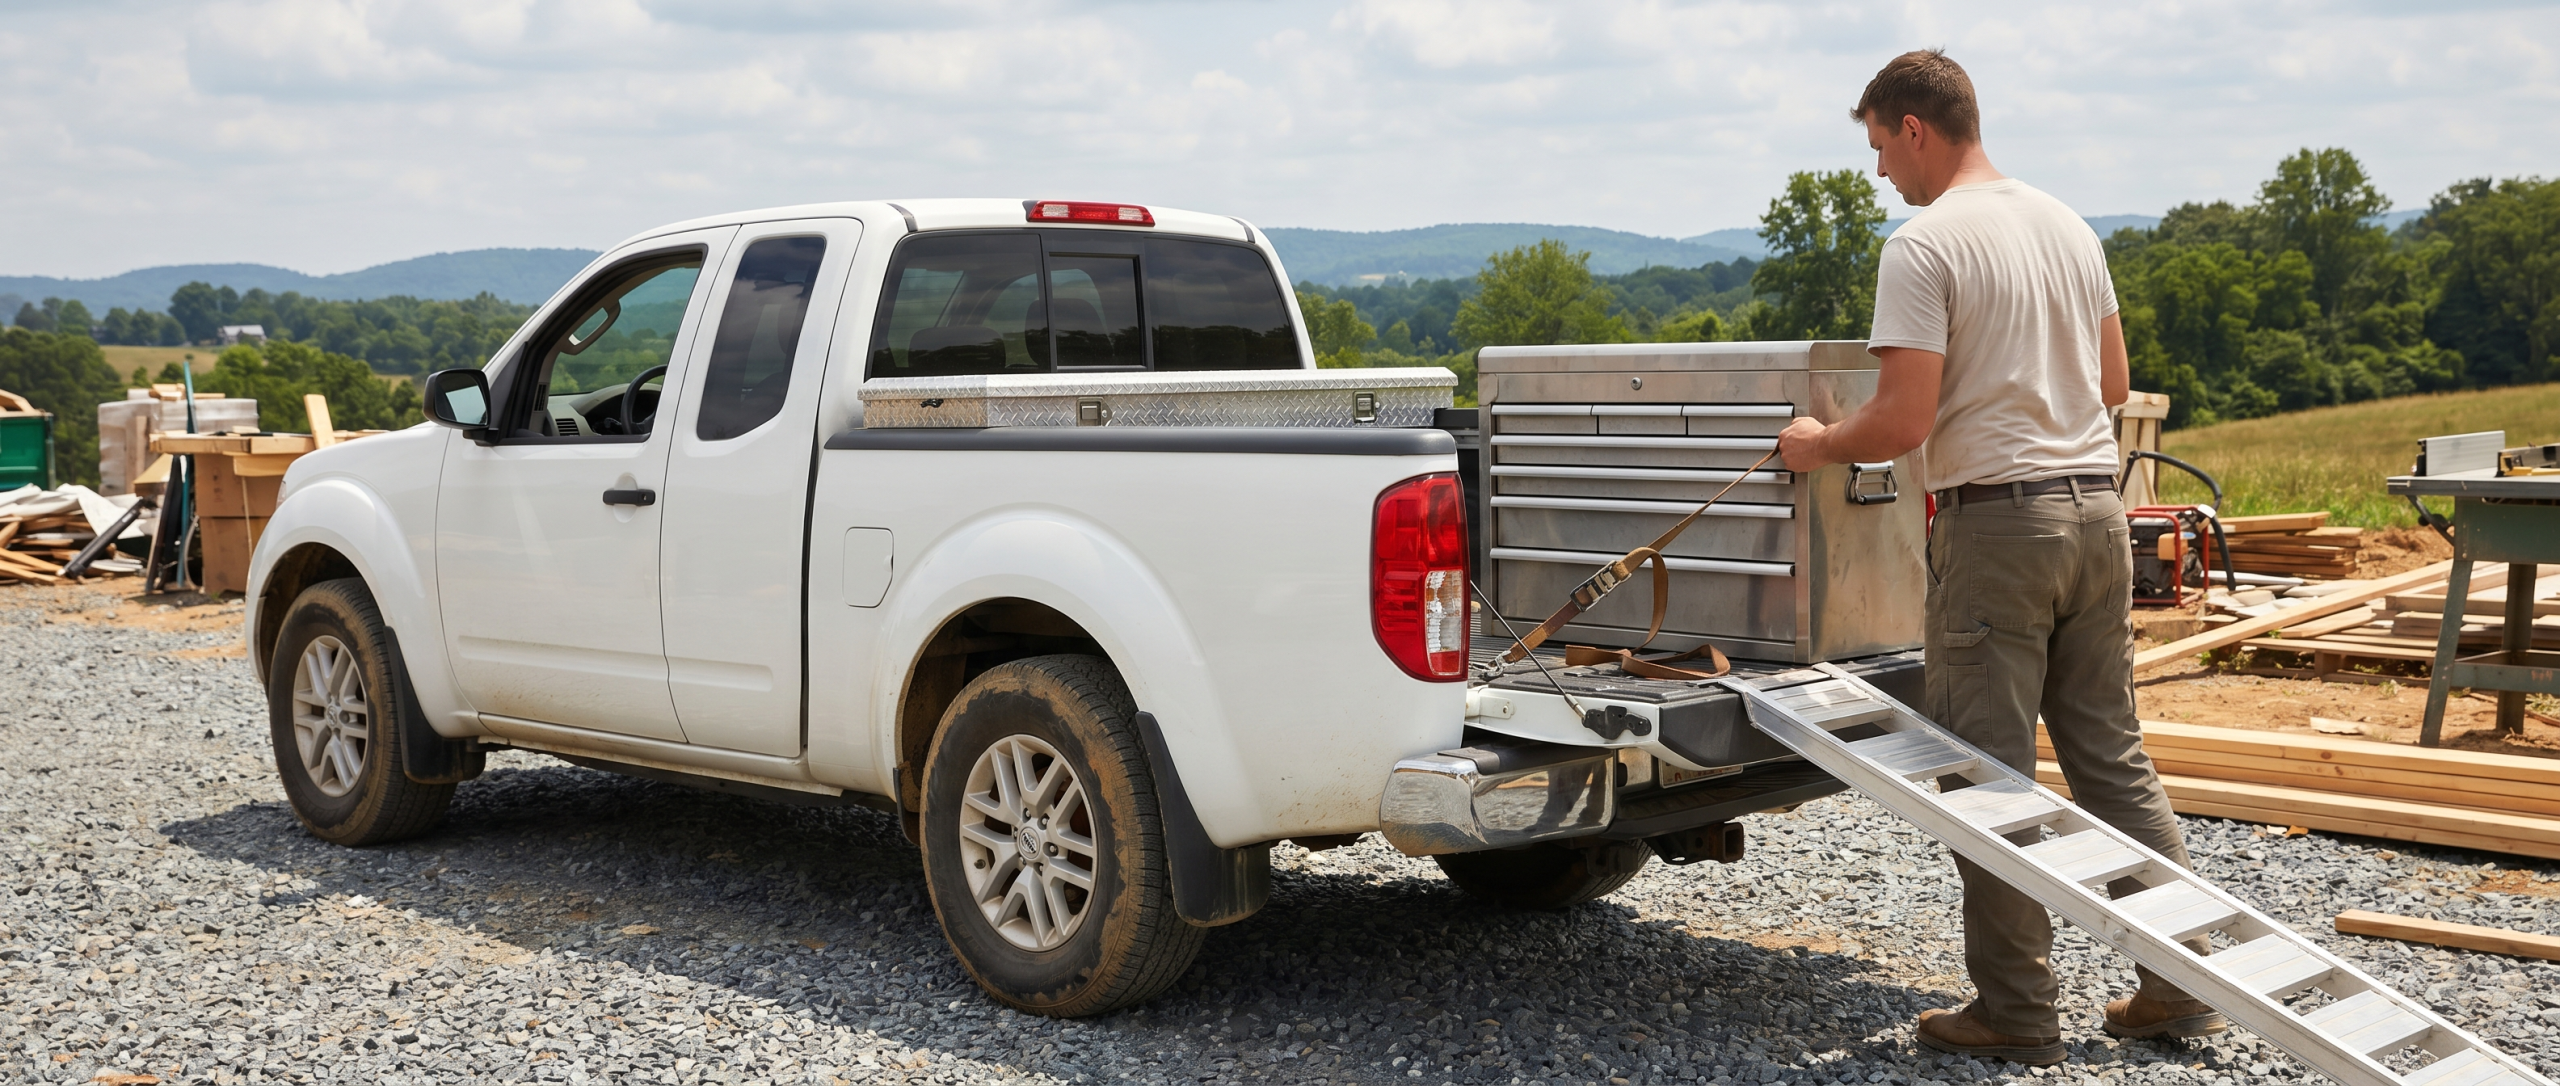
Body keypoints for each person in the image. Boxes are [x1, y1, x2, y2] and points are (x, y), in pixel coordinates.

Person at [1773, 49, 2226, 1066]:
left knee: (1987, 775)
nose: (1880, 169)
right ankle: (2181, 985)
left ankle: (2016, 1014)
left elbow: (1902, 420)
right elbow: (2112, 382)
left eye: (1879, 146)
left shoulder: (1923, 244)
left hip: (1998, 530)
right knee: (2111, 759)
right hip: (2098, 516)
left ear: (1914, 128)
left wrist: (1818, 444)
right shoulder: (2067, 225)